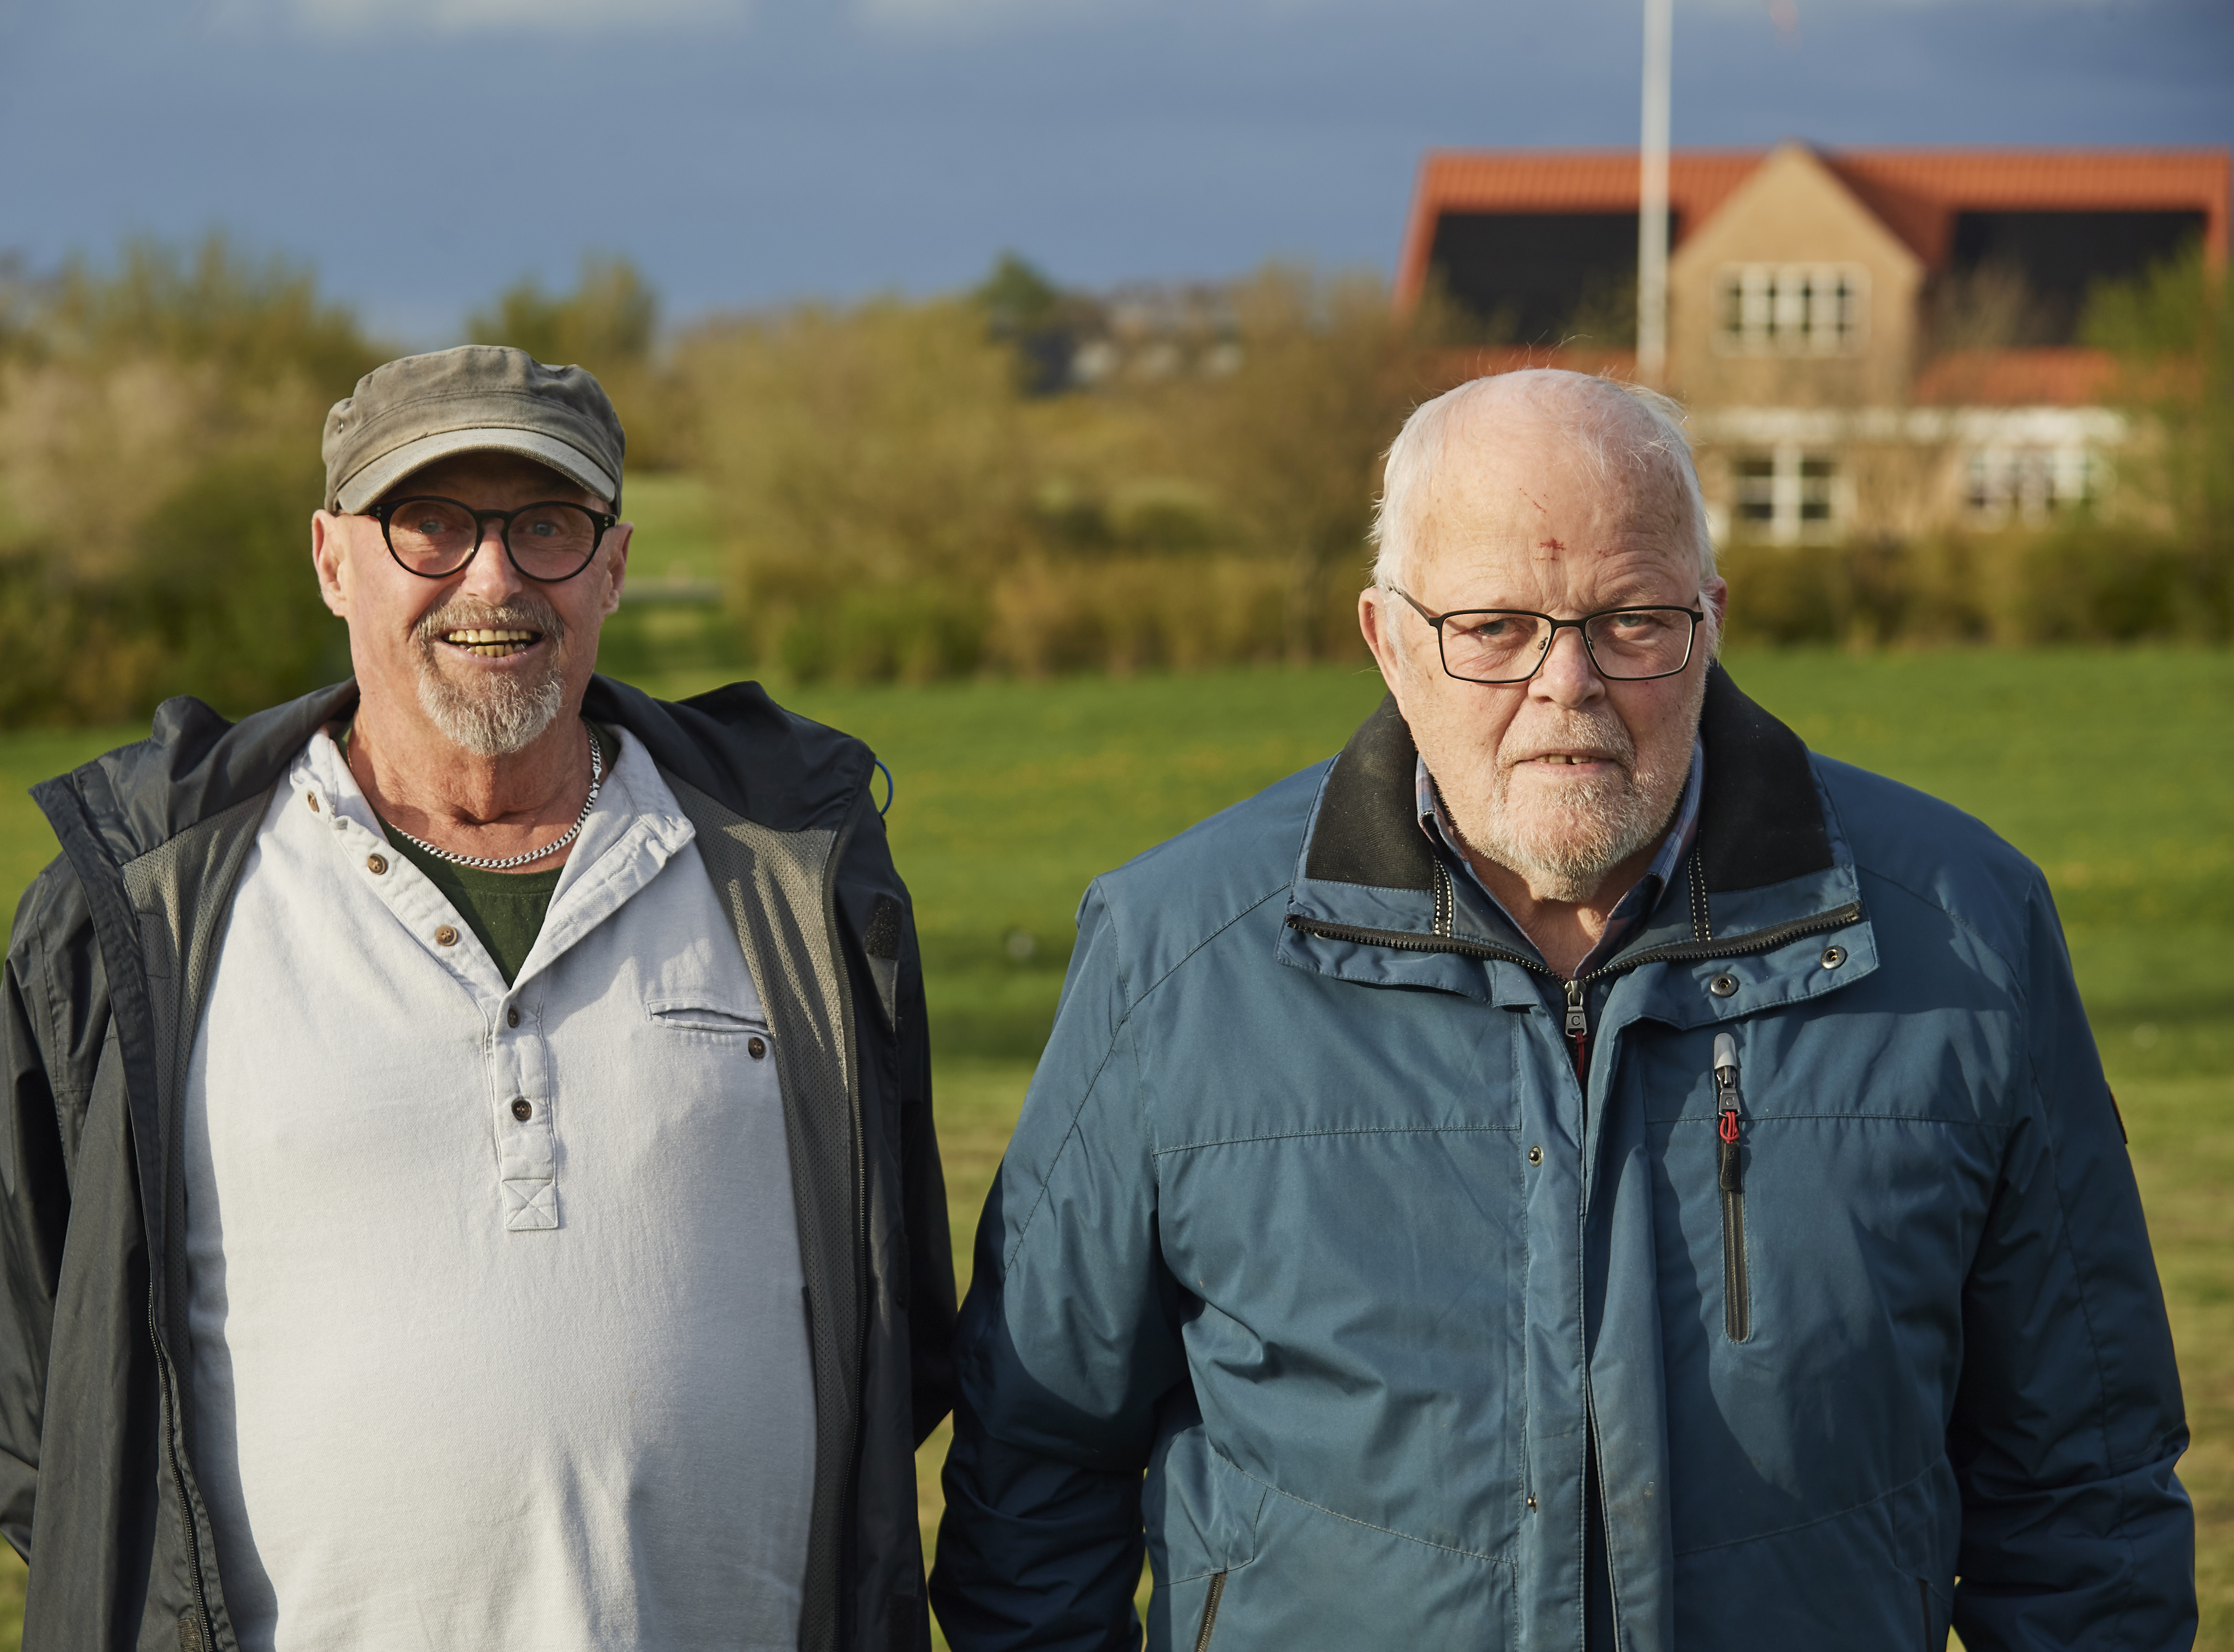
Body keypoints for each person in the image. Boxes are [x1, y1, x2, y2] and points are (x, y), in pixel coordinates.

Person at [929, 368, 2192, 1650]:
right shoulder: (1174, 956)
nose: (1566, 681)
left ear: (1710, 618)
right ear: (1385, 638)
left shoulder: (1960, 936)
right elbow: (1035, 1477)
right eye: (1490, 626)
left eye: (1632, 621)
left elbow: (2080, 1493)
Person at [0, 345, 955, 1652]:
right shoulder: (142, 910)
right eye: (427, 523)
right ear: (333, 559)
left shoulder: (792, 879)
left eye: (547, 526)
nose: (491, 578)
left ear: (611, 565)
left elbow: (905, 1330)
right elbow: (46, 1403)